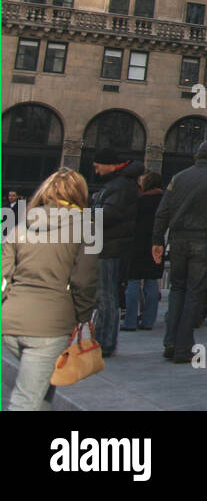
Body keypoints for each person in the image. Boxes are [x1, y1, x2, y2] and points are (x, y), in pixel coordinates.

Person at [1, 168, 99, 411]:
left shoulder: (23, 223)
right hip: (50, 323)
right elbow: (84, 280)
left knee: (41, 389)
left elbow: (4, 275)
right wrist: (84, 316)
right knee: (26, 400)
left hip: (10, 320)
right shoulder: (86, 226)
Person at [153, 140, 207, 363]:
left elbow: (162, 211)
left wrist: (157, 240)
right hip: (203, 239)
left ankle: (170, 341)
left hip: (177, 239)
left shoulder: (178, 177)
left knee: (177, 289)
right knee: (195, 292)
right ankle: (184, 346)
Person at [90, 149, 142, 357]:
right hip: (109, 244)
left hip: (110, 245)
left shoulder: (120, 185)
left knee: (106, 295)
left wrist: (88, 211)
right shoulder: (119, 184)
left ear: (110, 165)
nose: (96, 170)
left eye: (98, 166)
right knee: (106, 294)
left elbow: (109, 214)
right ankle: (104, 340)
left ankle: (105, 342)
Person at [122, 170, 165, 332]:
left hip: (137, 243)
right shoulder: (163, 200)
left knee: (133, 282)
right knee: (151, 281)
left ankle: (130, 321)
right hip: (156, 242)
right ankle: (148, 321)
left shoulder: (139, 201)